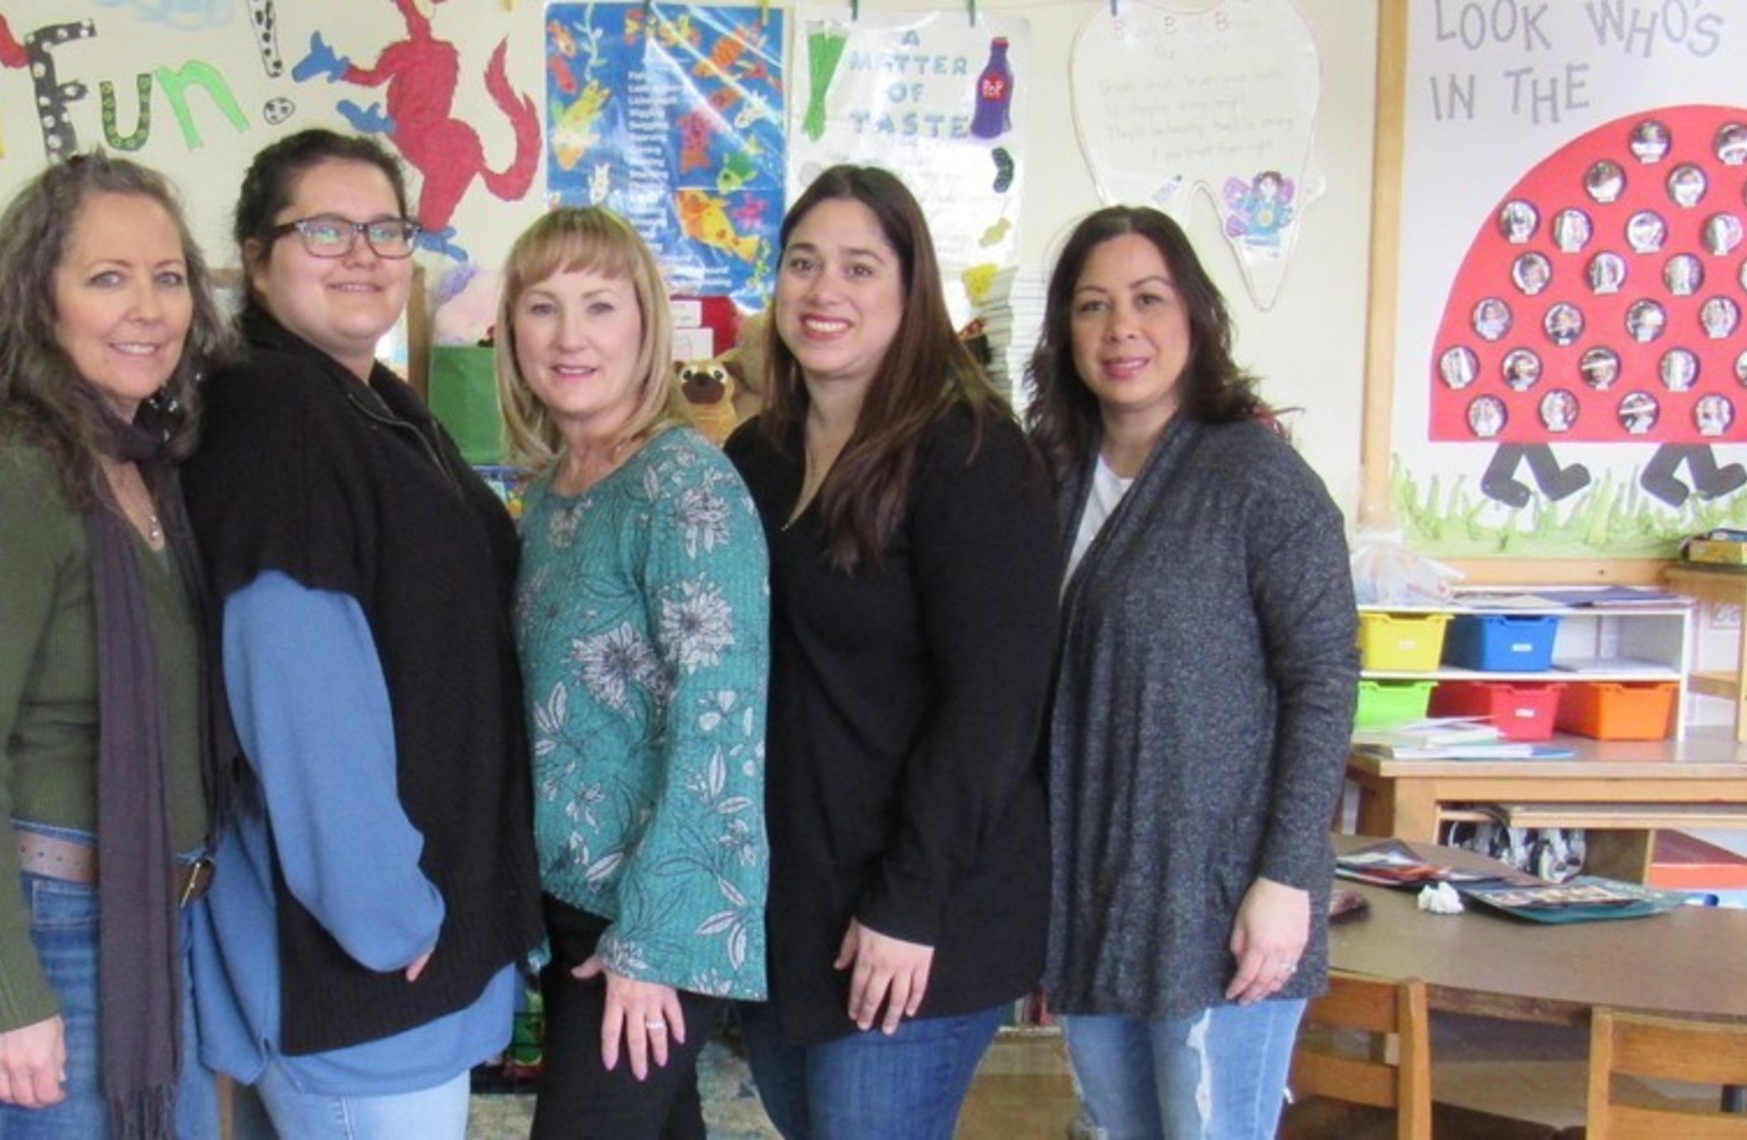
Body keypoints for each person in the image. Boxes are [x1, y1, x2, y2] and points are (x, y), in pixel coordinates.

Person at [180, 128, 544, 1139]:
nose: (366, 254)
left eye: (388, 229)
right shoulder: (278, 415)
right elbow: (301, 692)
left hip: (399, 952)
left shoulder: (373, 403)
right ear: (256, 257)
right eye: (327, 229)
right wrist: (382, 914)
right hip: (363, 965)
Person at [0, 154, 231, 1137]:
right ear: (40, 300)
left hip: (152, 919)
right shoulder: (1, 471)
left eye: (168, 278)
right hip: (36, 924)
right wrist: (3, 994)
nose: (149, 309)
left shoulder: (147, 469)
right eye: (107, 278)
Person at [722, 165, 1061, 1139]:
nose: (825, 291)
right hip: (794, 908)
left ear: (912, 295)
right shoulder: (757, 455)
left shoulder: (970, 456)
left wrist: (909, 904)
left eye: (860, 268)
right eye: (803, 263)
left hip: (916, 909)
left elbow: (994, 706)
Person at [1025, 205, 1357, 1140]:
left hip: (1221, 905)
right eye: (1092, 306)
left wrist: (1287, 879)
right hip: (1094, 893)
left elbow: (1324, 678)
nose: (1120, 328)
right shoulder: (1051, 479)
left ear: (1196, 317)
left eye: (1147, 299)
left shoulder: (1255, 477)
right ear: (1065, 333)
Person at [493, 206, 771, 1138]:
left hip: (655, 921)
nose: (570, 337)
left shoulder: (684, 486)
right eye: (543, 307)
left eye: (599, 306)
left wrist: (649, 946)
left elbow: (718, 730)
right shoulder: (551, 492)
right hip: (573, 910)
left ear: (646, 324)